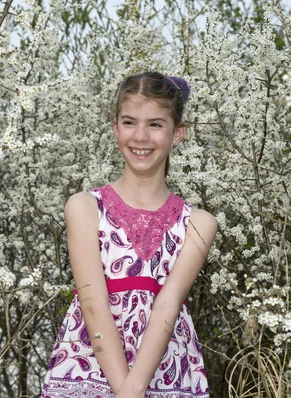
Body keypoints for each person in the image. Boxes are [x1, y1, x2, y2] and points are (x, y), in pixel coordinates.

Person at [41, 72, 217, 398]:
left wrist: (133, 390)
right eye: (129, 122)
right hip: (87, 369)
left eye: (155, 124)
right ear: (115, 127)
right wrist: (126, 390)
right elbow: (93, 303)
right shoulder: (84, 208)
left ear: (177, 133)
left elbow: (168, 305)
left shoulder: (199, 223)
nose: (140, 136)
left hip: (167, 372)